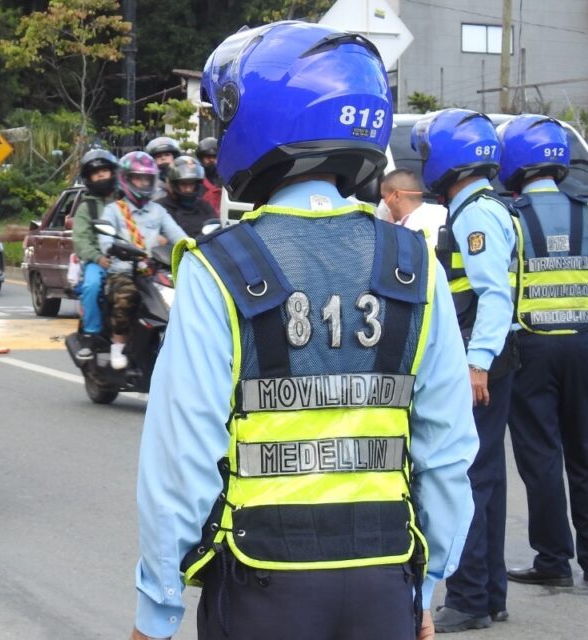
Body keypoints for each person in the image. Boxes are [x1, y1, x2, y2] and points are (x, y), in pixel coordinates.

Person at [131, 22, 477, 640]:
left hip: (263, 585)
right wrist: (426, 589)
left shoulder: (222, 267)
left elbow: (180, 459)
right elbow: (447, 451)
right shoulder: (413, 263)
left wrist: (157, 610)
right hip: (385, 581)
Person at [497, 115, 588, 590]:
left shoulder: (511, 217)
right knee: (585, 452)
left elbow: (502, 290)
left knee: (541, 455)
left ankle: (553, 560)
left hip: (532, 348)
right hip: (583, 345)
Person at [413, 108, 519, 633]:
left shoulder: (475, 214)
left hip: (480, 363)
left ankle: (470, 598)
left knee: (467, 477)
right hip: (492, 360)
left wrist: (477, 364)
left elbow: (494, 296)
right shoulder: (484, 207)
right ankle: (489, 594)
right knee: (488, 479)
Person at [98, 151, 186, 370]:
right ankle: (117, 345)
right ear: (126, 179)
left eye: (147, 179)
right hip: (123, 272)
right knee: (127, 297)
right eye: (139, 178)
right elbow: (105, 240)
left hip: (152, 272)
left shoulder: (158, 211)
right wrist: (114, 247)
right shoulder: (115, 210)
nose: (143, 183)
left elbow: (179, 236)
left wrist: (195, 247)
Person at [72, 148, 122, 361]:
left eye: (105, 171)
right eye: (96, 173)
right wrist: (97, 257)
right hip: (98, 262)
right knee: (91, 286)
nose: (101, 176)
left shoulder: (125, 201)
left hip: (128, 259)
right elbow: (81, 239)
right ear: (89, 178)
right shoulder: (86, 207)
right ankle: (91, 335)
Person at [155, 155, 218, 237]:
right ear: (174, 184)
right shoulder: (160, 208)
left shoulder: (204, 206)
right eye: (183, 184)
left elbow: (216, 229)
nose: (188, 189)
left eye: (191, 184)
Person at [380, 169, 445, 237]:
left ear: (396, 196)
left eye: (384, 197)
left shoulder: (409, 231)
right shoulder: (443, 212)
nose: (383, 202)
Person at [195, 137, 223, 212]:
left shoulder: (226, 180)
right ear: (201, 158)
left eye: (214, 157)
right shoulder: (195, 180)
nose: (211, 160)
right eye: (208, 156)